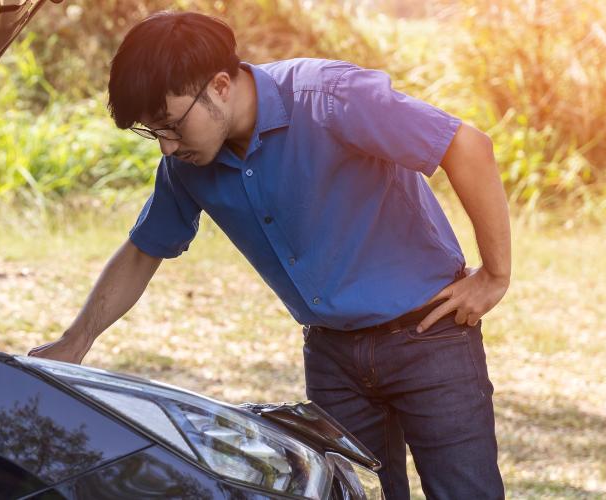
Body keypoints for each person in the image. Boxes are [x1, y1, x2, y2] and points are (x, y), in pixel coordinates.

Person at [27, 11, 510, 500]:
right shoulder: (188, 164)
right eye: (156, 133)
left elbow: (466, 145)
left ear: (219, 86)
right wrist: (76, 341)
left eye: (172, 125)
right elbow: (142, 250)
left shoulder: (330, 97)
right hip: (333, 357)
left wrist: (494, 274)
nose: (168, 146)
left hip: (430, 340)